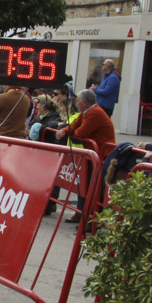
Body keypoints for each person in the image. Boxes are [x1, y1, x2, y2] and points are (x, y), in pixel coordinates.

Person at [55, 89, 116, 223]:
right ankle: (82, 213)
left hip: (101, 155)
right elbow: (74, 125)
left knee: (94, 187)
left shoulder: (95, 113)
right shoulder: (86, 112)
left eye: (77, 100)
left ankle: (92, 219)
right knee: (84, 184)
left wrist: (68, 132)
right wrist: (64, 131)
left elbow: (80, 133)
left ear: (84, 102)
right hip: (92, 154)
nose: (76, 103)